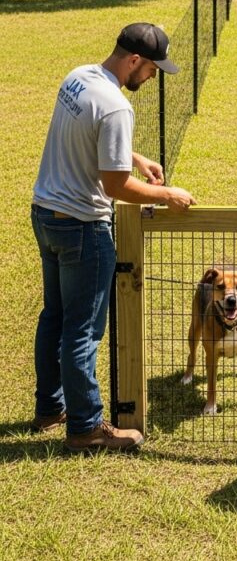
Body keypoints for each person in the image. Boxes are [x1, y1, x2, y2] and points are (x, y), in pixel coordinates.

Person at [31, 23, 197, 453]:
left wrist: (135, 156)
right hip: (83, 227)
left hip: (46, 214)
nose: (154, 77)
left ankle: (50, 409)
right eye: (153, 68)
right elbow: (115, 187)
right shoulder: (118, 108)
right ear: (135, 61)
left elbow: (88, 136)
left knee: (55, 316)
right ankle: (86, 427)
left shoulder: (79, 77)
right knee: (82, 331)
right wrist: (167, 195)